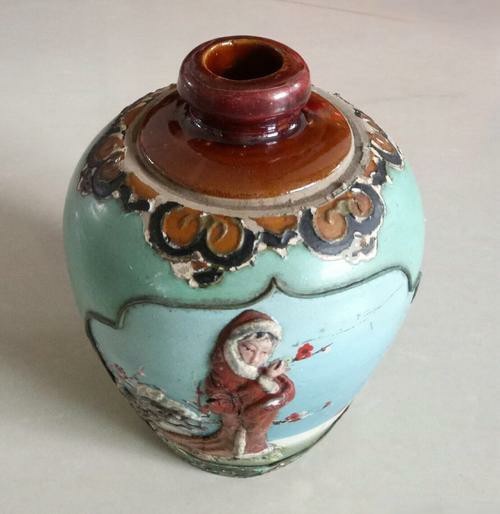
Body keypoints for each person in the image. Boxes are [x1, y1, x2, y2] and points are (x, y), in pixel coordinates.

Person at [164, 309, 295, 458]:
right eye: (249, 349)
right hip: (233, 427)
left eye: (264, 353)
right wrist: (263, 381)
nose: (255, 359)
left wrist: (269, 381)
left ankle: (254, 447)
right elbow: (233, 401)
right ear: (233, 345)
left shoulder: (260, 370)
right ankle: (234, 447)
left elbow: (285, 389)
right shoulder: (223, 374)